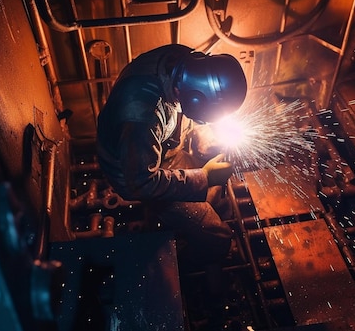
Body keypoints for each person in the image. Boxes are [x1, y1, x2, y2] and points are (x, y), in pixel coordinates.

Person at [95, 43, 247, 270]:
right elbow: (138, 184)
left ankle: (193, 214)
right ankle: (185, 266)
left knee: (213, 192)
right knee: (218, 238)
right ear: (193, 99)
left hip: (161, 153)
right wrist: (203, 177)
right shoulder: (141, 115)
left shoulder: (182, 61)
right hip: (136, 175)